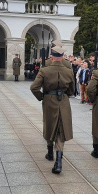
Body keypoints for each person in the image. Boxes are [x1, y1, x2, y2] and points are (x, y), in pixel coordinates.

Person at [30, 46, 74, 174]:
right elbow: (72, 90)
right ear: (62, 57)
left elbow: (34, 87)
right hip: (64, 101)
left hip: (49, 100)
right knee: (61, 128)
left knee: (49, 124)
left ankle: (50, 152)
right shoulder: (68, 71)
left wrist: (42, 96)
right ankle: (58, 161)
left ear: (52, 56)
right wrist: (65, 94)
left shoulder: (45, 70)